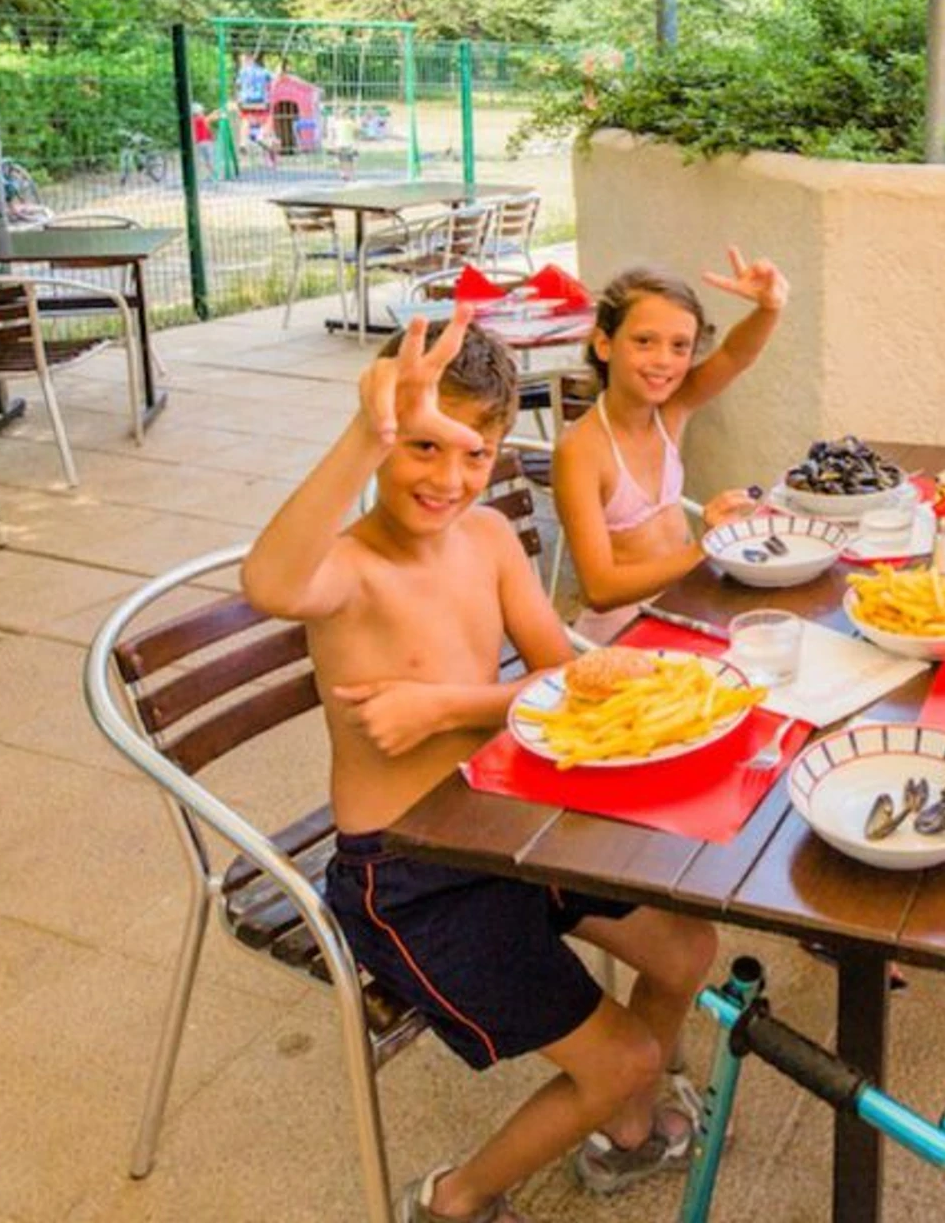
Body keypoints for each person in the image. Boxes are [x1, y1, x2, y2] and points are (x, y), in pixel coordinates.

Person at [243, 313, 716, 1222]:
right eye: (421, 445)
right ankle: (454, 1200)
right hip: (410, 876)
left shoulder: (490, 540)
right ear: (384, 434)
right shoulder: (350, 570)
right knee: (624, 1055)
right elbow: (269, 583)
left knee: (688, 948)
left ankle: (627, 1123)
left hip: (507, 822)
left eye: (475, 454)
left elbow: (563, 680)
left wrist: (447, 706)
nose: (449, 479)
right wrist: (366, 432)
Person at [550, 253, 786, 636]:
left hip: (686, 607)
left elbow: (734, 354)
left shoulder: (670, 410)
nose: (663, 360)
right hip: (627, 633)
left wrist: (769, 308)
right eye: (644, 342)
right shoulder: (580, 450)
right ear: (604, 345)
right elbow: (599, 589)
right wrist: (704, 549)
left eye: (680, 346)